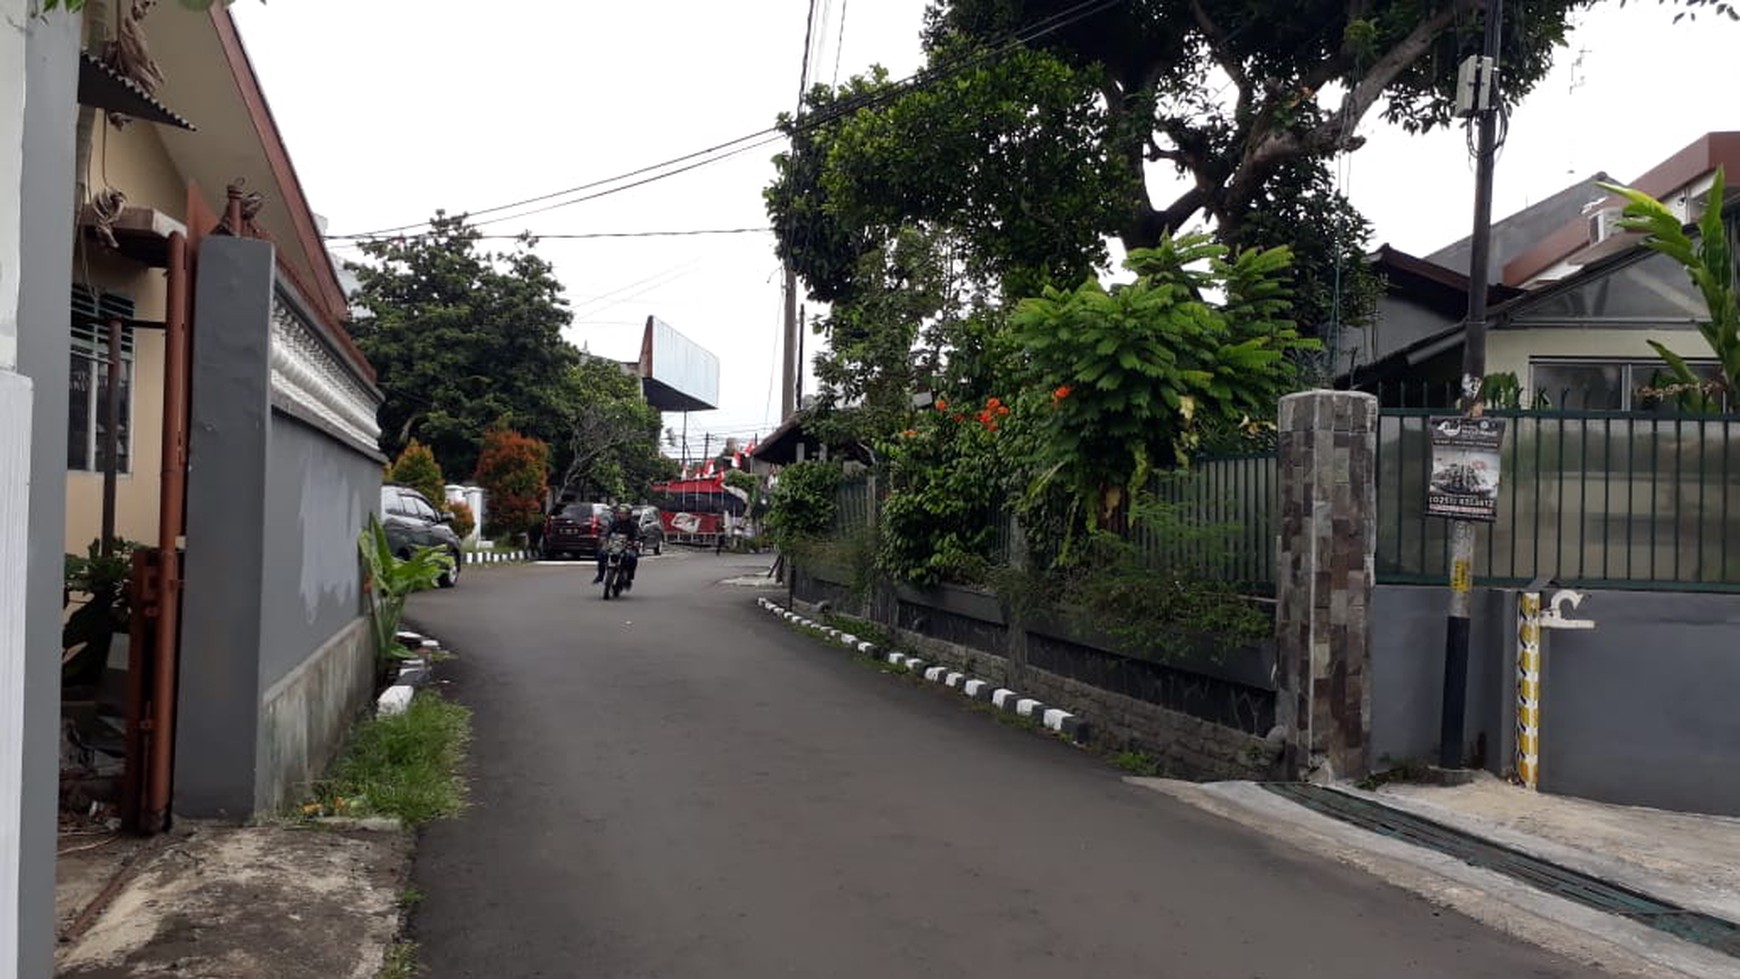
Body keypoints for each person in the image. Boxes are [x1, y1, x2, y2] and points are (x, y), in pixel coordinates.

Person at [593, 503, 642, 586]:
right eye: (621, 513)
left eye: (625, 513)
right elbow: (607, 531)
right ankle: (600, 576)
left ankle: (629, 578)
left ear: (629, 514)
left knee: (632, 557)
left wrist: (636, 541)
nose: (622, 515)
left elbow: (638, 533)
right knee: (602, 553)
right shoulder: (614, 523)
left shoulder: (633, 524)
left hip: (628, 546)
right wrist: (603, 537)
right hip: (614, 545)